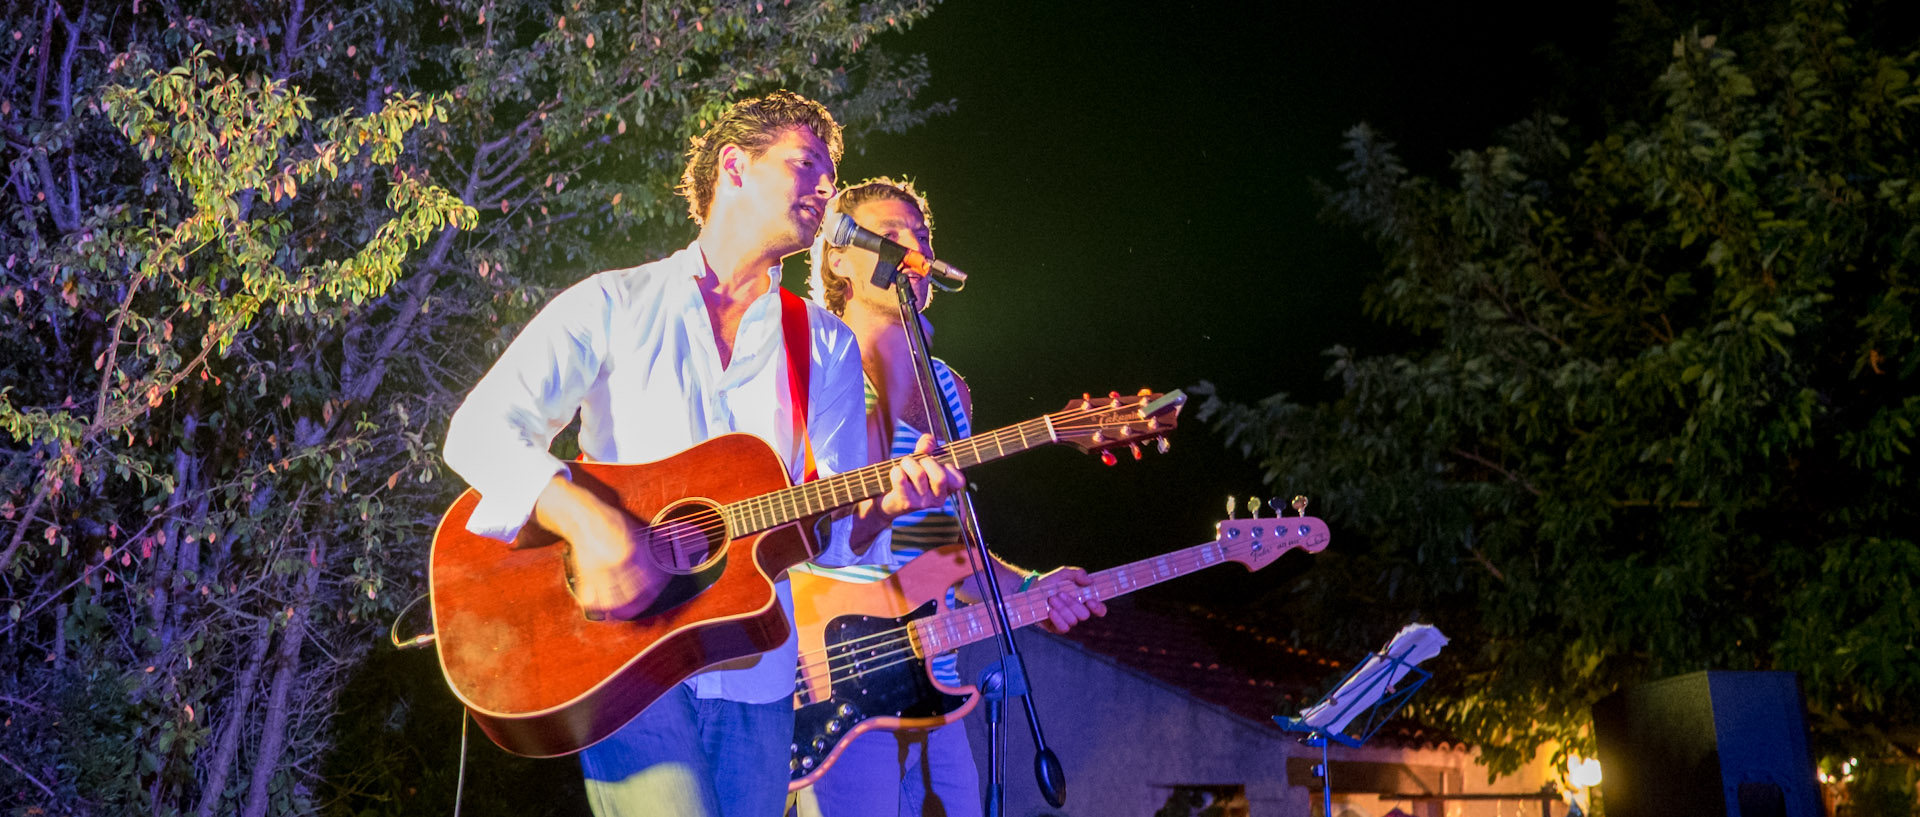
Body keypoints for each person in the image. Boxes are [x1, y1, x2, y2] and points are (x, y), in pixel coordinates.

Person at [443, 95, 965, 817]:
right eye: (805, 165)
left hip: (758, 675)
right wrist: (588, 522)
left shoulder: (826, 345)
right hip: (625, 655)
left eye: (830, 173)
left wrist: (889, 505)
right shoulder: (615, 304)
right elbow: (477, 430)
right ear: (734, 167)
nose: (824, 188)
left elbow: (834, 537)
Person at [791, 178, 1109, 817]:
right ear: (838, 255)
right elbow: (806, 527)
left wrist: (1027, 588)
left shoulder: (947, 387)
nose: (914, 249)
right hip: (836, 667)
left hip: (933, 667)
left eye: (922, 238)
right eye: (892, 235)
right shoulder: (811, 363)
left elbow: (949, 549)